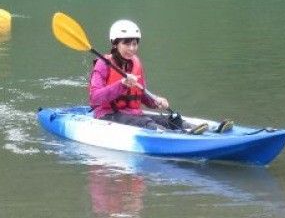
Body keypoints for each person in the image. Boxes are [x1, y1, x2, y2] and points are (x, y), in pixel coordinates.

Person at [88, 19, 232, 134]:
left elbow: (141, 94)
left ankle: (209, 132)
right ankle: (179, 138)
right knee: (147, 124)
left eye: (134, 44)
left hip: (132, 114)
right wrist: (122, 84)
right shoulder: (103, 64)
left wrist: (155, 101)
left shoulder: (135, 63)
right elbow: (95, 98)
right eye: (127, 44)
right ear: (115, 43)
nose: (132, 48)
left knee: (172, 121)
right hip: (107, 115)